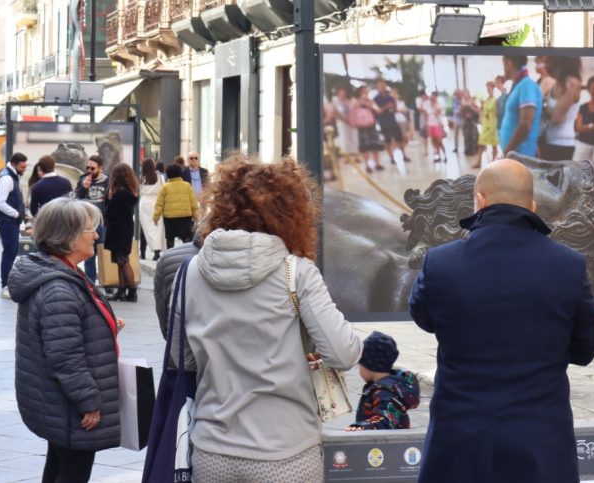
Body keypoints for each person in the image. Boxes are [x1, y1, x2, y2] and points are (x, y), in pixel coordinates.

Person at [408, 159, 594, 483]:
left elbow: (425, 318)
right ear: (533, 206)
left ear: (480, 201)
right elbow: (585, 351)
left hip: (459, 443)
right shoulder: (569, 266)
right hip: (540, 445)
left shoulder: (440, 264)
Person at [176, 155, 361, 481]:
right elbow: (343, 353)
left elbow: (186, 358)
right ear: (291, 213)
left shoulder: (192, 272)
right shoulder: (297, 272)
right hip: (284, 452)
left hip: (212, 448)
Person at [8, 198, 124, 483]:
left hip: (56, 399)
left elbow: (66, 334)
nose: (96, 235)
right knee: (73, 472)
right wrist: (89, 401)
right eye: (90, 230)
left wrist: (103, 328)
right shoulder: (59, 286)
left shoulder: (60, 273)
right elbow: (64, 355)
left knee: (59, 465)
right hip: (69, 403)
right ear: (68, 238)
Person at [345, 331, 420, 431]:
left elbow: (385, 420)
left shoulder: (384, 393)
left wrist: (360, 427)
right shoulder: (386, 387)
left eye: (360, 366)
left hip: (386, 444)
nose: (359, 370)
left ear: (370, 366)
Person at [104, 163, 139, 301]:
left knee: (123, 260)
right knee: (120, 260)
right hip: (124, 228)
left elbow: (110, 210)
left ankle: (131, 291)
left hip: (118, 229)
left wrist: (109, 199)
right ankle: (122, 289)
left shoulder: (120, 193)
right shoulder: (130, 191)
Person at [0, 153, 29, 299]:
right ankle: (5, 285)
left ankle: (7, 284)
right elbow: (0, 202)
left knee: (11, 252)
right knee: (9, 253)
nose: (24, 169)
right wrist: (16, 214)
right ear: (14, 164)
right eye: (22, 167)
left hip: (10, 221)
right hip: (8, 221)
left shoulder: (11, 176)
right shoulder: (7, 178)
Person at [499, 55, 543, 157]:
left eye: (503, 64)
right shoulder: (518, 85)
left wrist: (506, 153)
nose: (503, 69)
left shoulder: (526, 85)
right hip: (516, 154)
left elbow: (526, 125)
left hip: (521, 155)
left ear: (508, 63)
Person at [75, 155, 110, 284]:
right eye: (87, 167)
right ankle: (90, 282)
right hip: (88, 222)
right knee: (89, 254)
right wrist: (83, 188)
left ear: (100, 168)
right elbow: (76, 199)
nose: (89, 170)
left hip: (102, 222)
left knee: (104, 252)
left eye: (92, 168)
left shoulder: (108, 181)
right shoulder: (82, 179)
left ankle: (107, 281)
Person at [540, 57, 582, 161]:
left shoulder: (573, 83)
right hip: (548, 140)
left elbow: (557, 118)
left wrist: (545, 108)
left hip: (562, 143)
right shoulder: (556, 83)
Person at [153, 163, 199, 249]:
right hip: (185, 217)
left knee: (170, 238)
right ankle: (187, 253)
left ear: (168, 174)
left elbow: (159, 204)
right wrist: (197, 216)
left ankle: (170, 254)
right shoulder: (187, 185)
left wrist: (156, 217)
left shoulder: (165, 187)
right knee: (187, 238)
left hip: (170, 218)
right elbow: (194, 203)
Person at [373, 80, 411, 164]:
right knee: (388, 141)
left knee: (399, 139)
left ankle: (404, 155)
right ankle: (391, 157)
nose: (383, 87)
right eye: (381, 86)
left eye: (384, 86)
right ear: (377, 87)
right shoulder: (375, 99)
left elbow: (395, 109)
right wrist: (386, 107)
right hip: (384, 123)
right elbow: (378, 111)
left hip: (393, 121)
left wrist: (395, 108)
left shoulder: (390, 98)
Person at [138, 158, 166, 262]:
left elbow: (138, 191)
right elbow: (163, 190)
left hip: (144, 204)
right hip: (156, 203)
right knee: (156, 228)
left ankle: (143, 253)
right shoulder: (160, 177)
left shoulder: (141, 178)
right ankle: (156, 252)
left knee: (144, 228)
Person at [353, 85, 385, 172]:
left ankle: (377, 163)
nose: (366, 93)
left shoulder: (370, 101)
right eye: (364, 91)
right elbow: (354, 108)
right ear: (359, 92)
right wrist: (361, 100)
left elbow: (378, 110)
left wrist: (369, 104)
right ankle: (367, 165)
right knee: (365, 146)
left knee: (375, 145)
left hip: (371, 124)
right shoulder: (356, 100)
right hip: (361, 126)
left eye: (366, 91)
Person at [573, 75, 594, 162]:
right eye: (593, 87)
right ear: (589, 90)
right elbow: (578, 128)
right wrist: (593, 127)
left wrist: (587, 127)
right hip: (583, 145)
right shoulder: (583, 107)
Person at [475, 81, 499, 168]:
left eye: (489, 87)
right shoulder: (485, 100)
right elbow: (482, 111)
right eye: (487, 87)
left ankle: (493, 162)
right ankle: (478, 161)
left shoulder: (495, 100)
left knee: (493, 144)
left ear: (493, 88)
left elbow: (497, 113)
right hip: (485, 123)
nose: (488, 89)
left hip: (492, 123)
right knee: (481, 143)